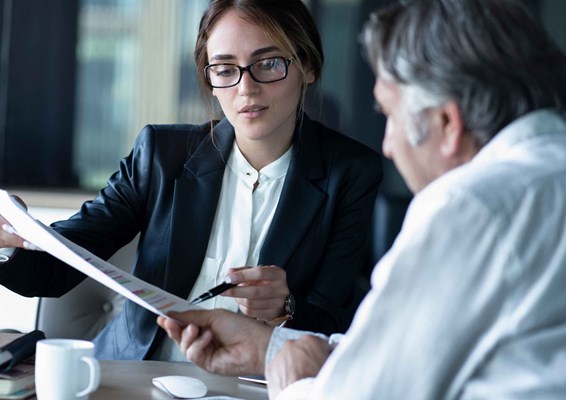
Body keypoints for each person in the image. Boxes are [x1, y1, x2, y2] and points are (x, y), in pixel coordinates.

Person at [157, 0, 566, 398]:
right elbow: (409, 356)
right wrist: (271, 350)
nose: (387, 145)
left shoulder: (470, 207)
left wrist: (293, 384)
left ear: (447, 123)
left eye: (390, 115)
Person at [0, 0, 382, 360]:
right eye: (225, 68)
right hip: (135, 377)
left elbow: (335, 325)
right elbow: (56, 268)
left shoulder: (349, 173)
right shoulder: (161, 155)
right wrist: (8, 242)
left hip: (254, 386)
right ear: (211, 79)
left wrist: (286, 309)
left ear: (309, 67)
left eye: (268, 63)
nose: (246, 88)